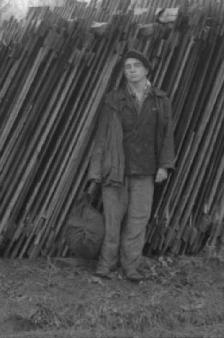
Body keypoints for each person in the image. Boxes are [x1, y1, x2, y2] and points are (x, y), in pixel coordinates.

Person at [87, 49, 175, 282]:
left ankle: (131, 267)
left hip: (145, 169)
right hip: (116, 169)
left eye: (137, 65)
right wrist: (96, 169)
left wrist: (164, 166)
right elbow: (102, 136)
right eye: (128, 66)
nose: (132, 70)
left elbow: (167, 135)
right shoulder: (113, 100)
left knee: (138, 220)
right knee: (113, 219)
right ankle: (106, 264)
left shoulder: (160, 100)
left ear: (147, 69)